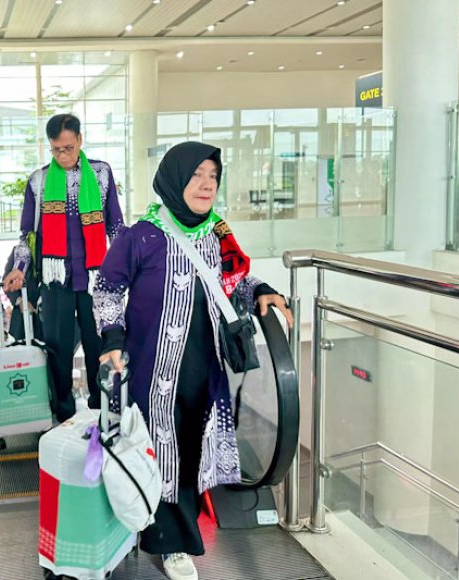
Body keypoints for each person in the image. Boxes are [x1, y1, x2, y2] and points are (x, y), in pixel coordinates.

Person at [93, 141, 293, 580]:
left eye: (213, 176)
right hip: (151, 370)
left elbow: (235, 280)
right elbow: (107, 290)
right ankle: (167, 541)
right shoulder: (142, 236)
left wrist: (260, 291)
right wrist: (112, 338)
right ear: (173, 178)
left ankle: (165, 532)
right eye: (196, 175)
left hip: (206, 369)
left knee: (187, 450)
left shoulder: (217, 232)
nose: (206, 185)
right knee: (156, 450)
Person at [3, 114, 125, 422]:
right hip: (55, 280)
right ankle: (63, 412)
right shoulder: (39, 181)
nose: (63, 156)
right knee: (57, 350)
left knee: (100, 344)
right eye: (56, 150)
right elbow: (27, 237)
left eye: (68, 148)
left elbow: (116, 227)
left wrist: (129, 266)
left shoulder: (101, 174)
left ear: (80, 141)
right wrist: (19, 268)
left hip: (95, 278)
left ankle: (102, 408)